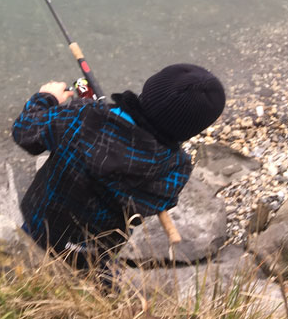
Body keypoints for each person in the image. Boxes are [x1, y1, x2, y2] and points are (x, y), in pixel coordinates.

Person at [11, 63, 225, 286]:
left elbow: (25, 131)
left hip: (38, 228)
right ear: (193, 129)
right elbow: (159, 201)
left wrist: (46, 98)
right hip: (95, 252)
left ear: (150, 88)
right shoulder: (176, 167)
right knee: (96, 275)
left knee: (31, 252)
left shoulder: (83, 116)